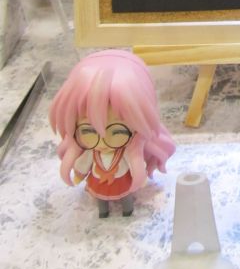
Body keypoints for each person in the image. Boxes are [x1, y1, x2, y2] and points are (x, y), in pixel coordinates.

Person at [49, 50, 176, 217]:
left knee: (126, 199)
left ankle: (127, 209)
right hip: (99, 184)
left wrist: (140, 175)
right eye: (88, 130)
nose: (103, 140)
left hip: (122, 183)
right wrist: (79, 175)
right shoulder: (90, 153)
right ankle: (103, 211)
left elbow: (134, 166)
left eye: (117, 131)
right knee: (102, 203)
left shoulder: (129, 152)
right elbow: (83, 165)